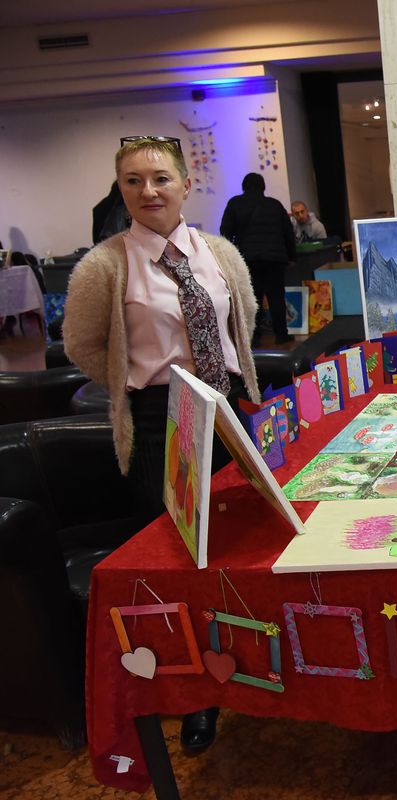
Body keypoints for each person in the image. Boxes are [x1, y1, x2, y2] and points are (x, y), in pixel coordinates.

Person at [63, 135, 260, 755]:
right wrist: (134, 381)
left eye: (160, 178)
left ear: (185, 185)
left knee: (238, 544)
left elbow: (244, 317)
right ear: (120, 190)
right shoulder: (104, 266)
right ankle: (196, 694)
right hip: (160, 422)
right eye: (133, 181)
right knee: (179, 559)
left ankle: (254, 664)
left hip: (227, 411)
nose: (148, 191)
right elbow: (80, 344)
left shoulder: (219, 252)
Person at [220, 173, 296, 345]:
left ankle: (254, 337)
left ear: (243, 187)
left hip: (248, 259)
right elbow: (288, 233)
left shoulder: (235, 203)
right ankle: (281, 334)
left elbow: (225, 231)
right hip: (275, 259)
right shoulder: (275, 205)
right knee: (276, 297)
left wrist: (232, 253)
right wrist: (292, 256)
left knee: (253, 298)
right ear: (263, 187)